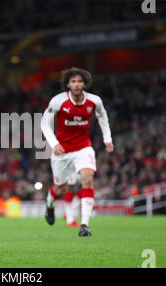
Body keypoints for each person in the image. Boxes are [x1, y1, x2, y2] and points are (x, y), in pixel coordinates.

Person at [41, 67, 113, 236]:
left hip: (83, 147)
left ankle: (84, 225)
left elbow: (103, 117)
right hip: (62, 151)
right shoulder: (58, 101)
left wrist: (107, 139)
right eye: (73, 81)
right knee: (61, 188)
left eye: (80, 81)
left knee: (87, 177)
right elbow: (44, 123)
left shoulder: (94, 101)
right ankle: (49, 205)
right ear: (67, 84)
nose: (76, 84)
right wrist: (54, 143)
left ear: (84, 83)